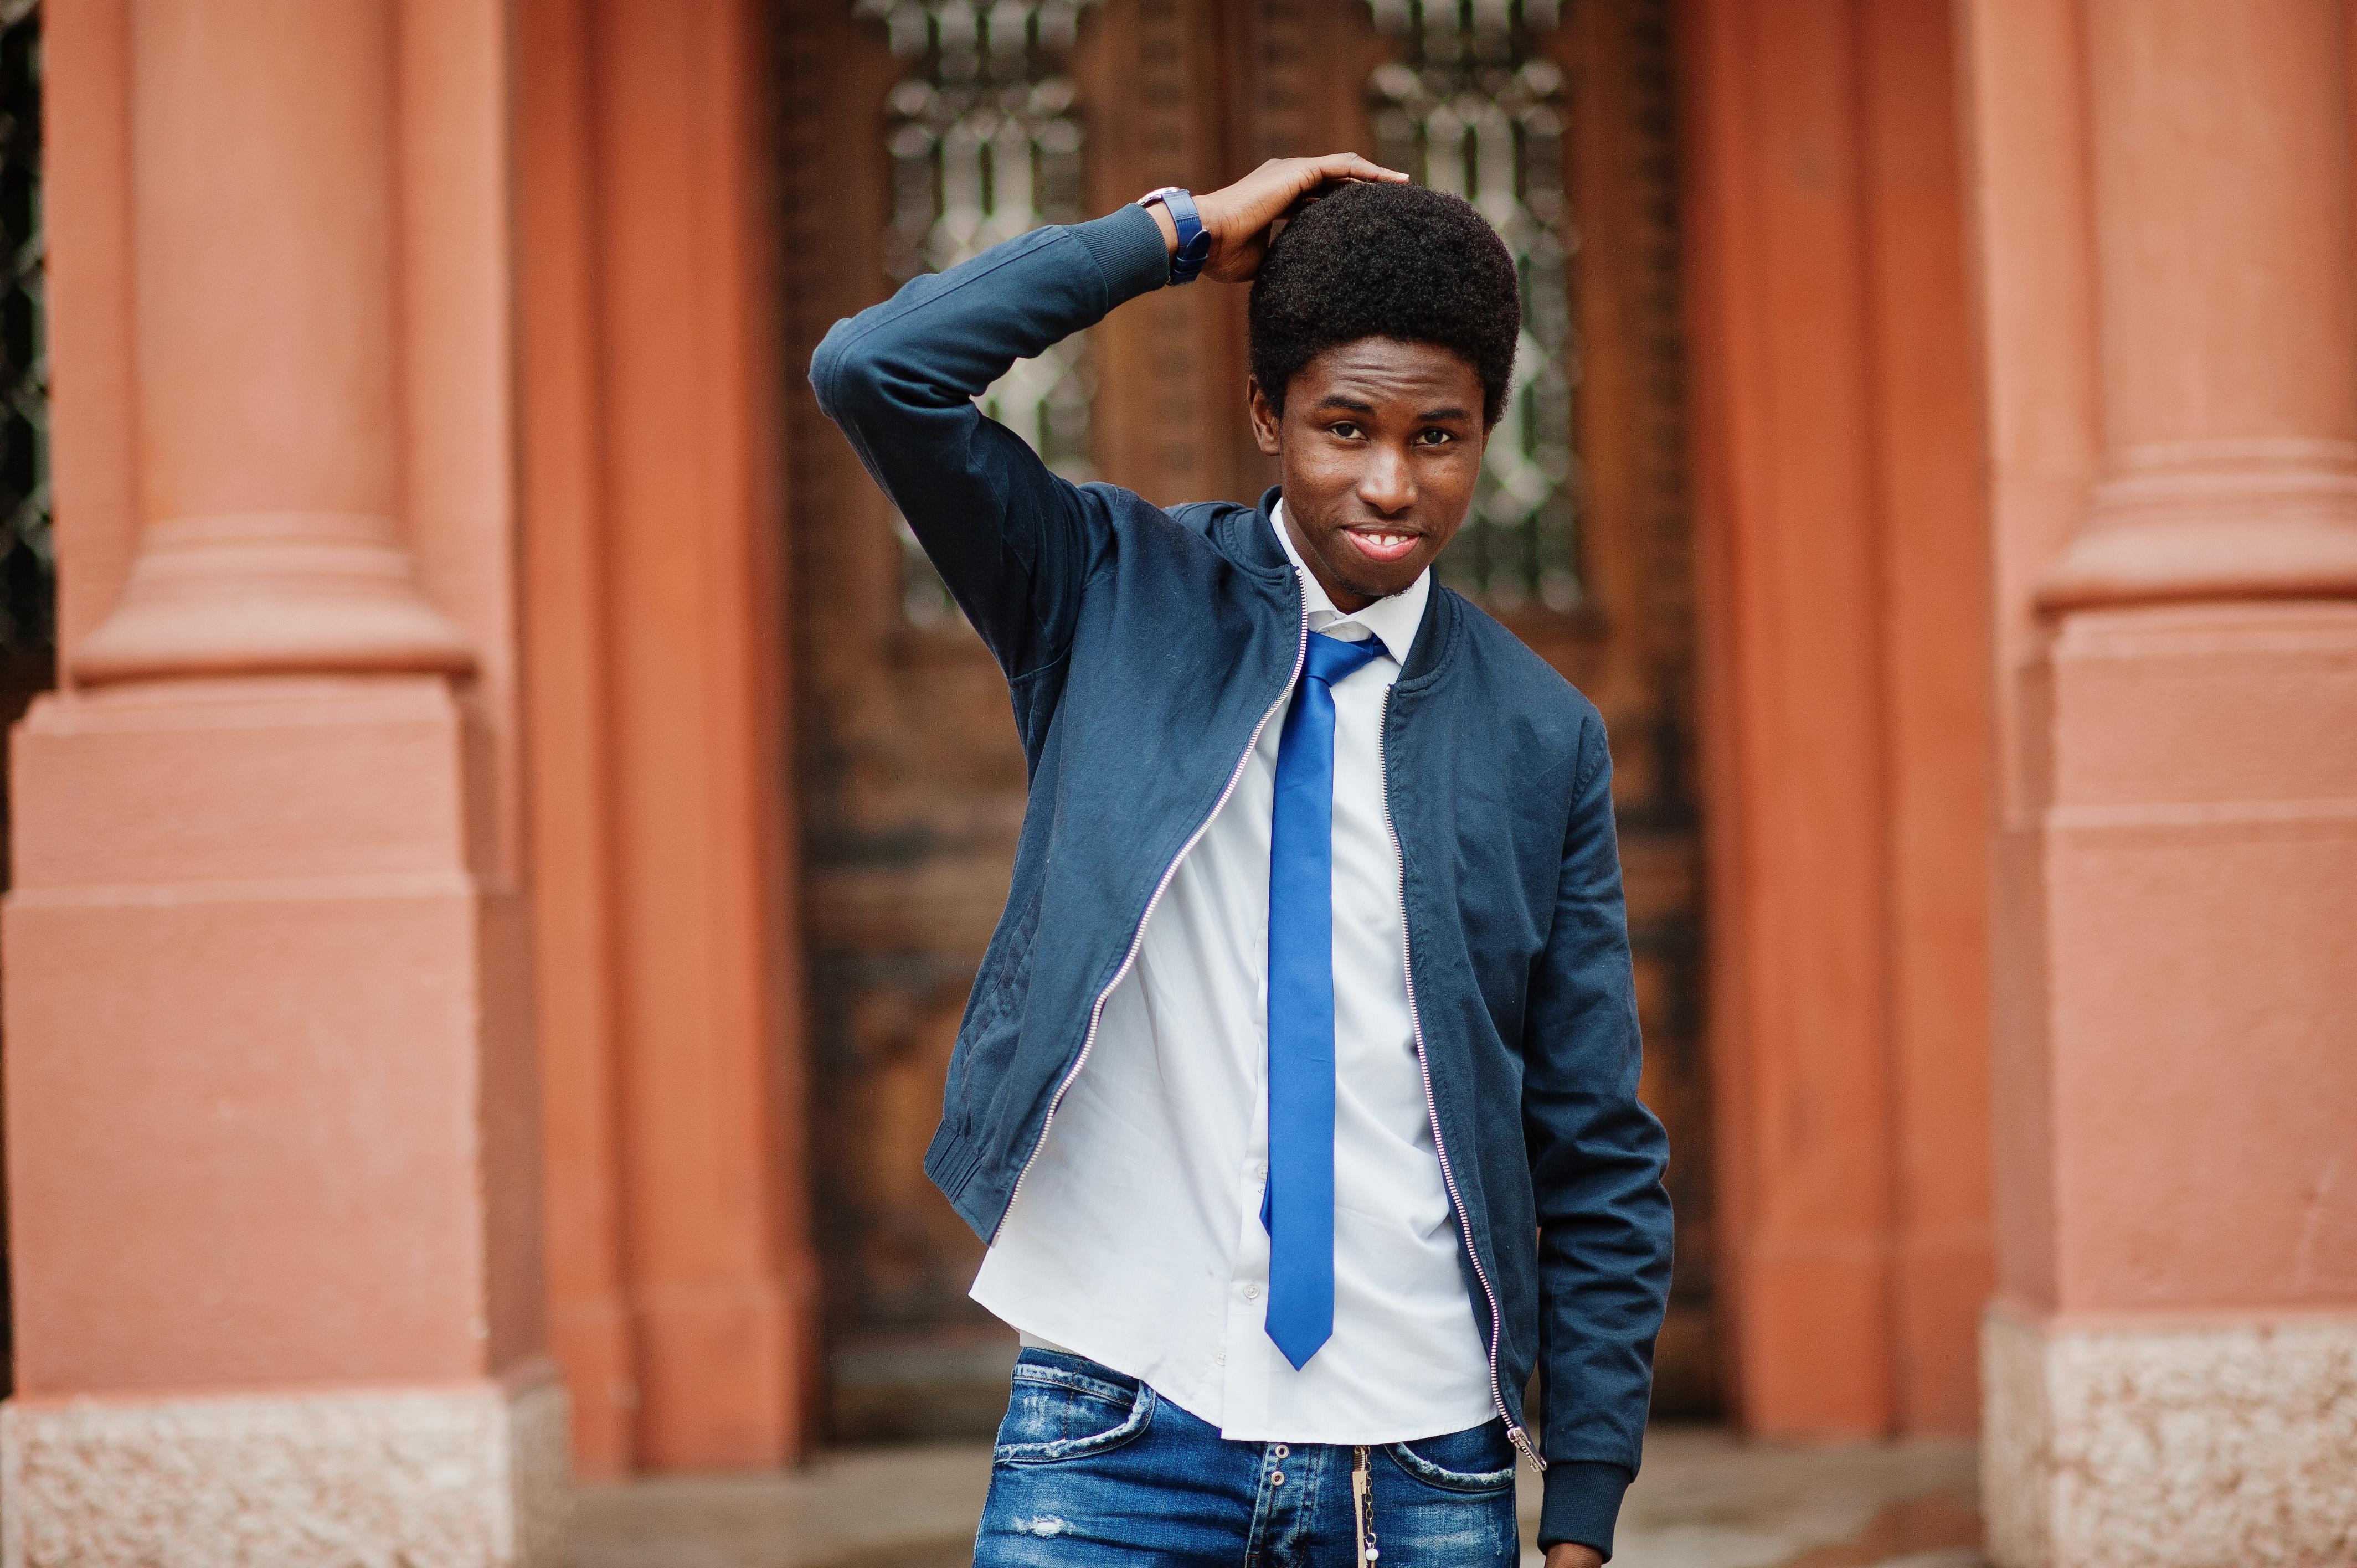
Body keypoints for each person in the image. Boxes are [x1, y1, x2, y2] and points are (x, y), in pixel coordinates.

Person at [811, 153, 1672, 1567]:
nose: (1389, 482)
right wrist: (1179, 233)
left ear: (1488, 438)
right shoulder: (1106, 592)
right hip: (1111, 1426)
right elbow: (875, 371)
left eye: (1440, 438)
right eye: (1344, 425)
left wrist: (1582, 1504)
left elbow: (1591, 1134)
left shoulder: (1543, 737)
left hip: (1419, 1460)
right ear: (1266, 412)